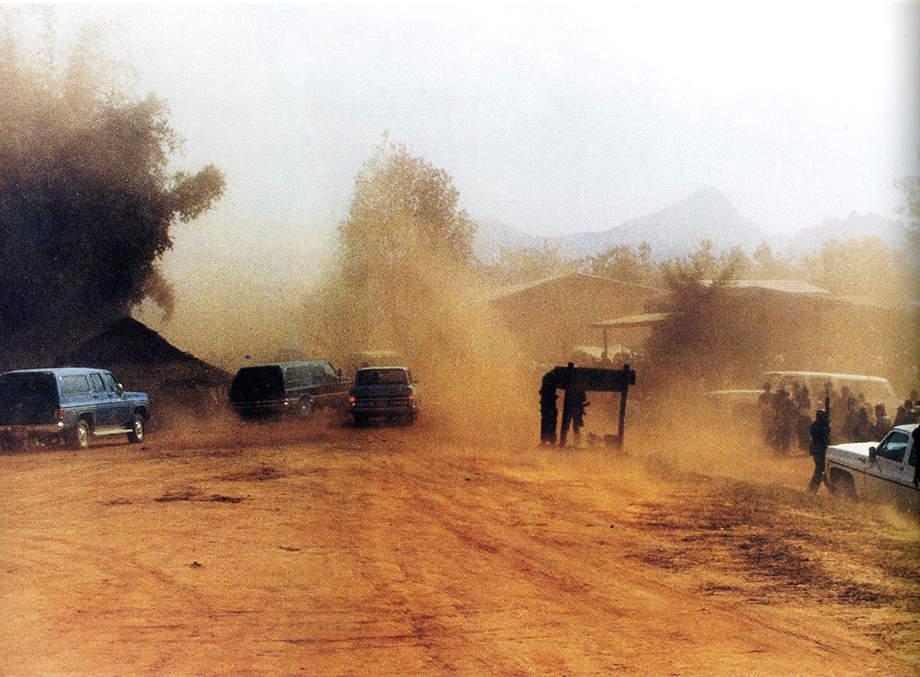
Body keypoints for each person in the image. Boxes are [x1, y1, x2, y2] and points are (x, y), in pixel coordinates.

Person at [808, 407, 831, 493]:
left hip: (819, 450)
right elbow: (822, 436)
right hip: (818, 451)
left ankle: (831, 489)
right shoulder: (816, 427)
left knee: (822, 471)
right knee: (820, 471)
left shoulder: (817, 426)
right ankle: (812, 489)